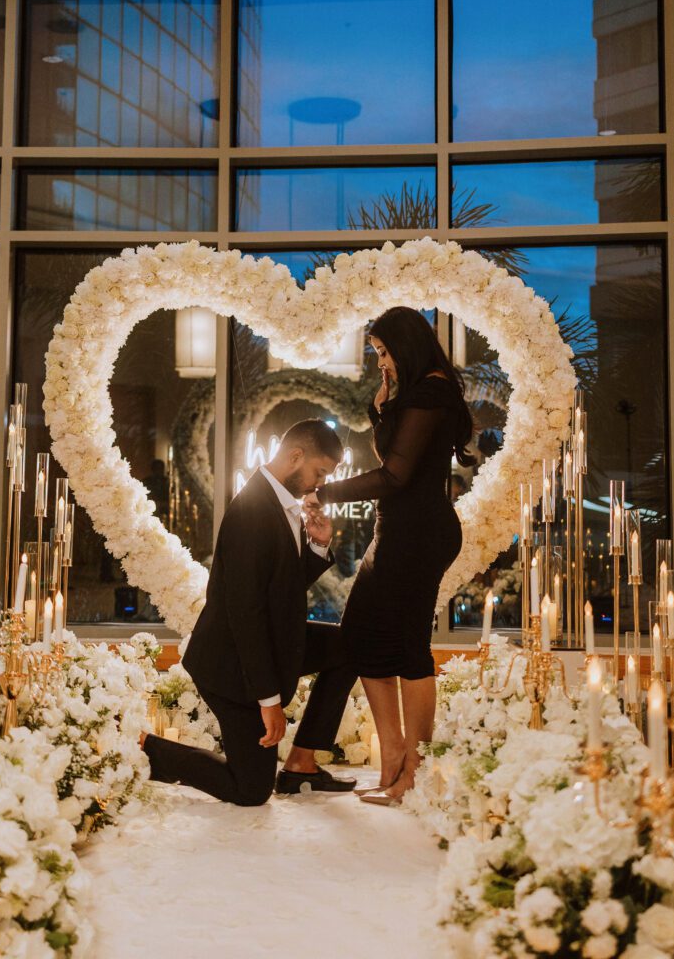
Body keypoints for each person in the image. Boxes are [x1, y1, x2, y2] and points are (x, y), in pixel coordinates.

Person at [143, 420, 358, 805]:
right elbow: (247, 615)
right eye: (320, 472)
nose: (321, 483)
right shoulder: (252, 511)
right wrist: (269, 700)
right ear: (296, 457)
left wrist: (318, 546)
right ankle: (149, 749)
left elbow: (281, 587)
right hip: (232, 666)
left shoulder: (280, 502)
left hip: (274, 643)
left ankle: (301, 763)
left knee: (350, 645)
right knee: (251, 790)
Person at [308, 307, 473, 804]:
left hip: (419, 533)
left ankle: (414, 772)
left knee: (407, 645)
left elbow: (395, 476)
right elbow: (399, 460)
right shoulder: (417, 394)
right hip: (398, 529)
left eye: (384, 352)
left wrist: (325, 491)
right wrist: (381, 412)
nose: (381, 362)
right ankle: (394, 760)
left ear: (406, 345)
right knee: (361, 634)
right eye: (376, 353)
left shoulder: (432, 393)